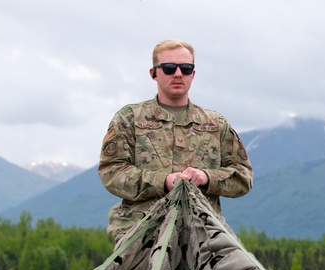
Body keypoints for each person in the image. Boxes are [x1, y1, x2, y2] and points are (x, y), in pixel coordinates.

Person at [98, 39, 253, 242]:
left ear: (193, 74)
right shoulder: (130, 119)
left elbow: (243, 177)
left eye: (186, 69)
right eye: (169, 68)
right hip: (142, 228)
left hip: (205, 228)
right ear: (154, 73)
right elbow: (112, 172)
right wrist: (163, 181)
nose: (178, 74)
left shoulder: (215, 124)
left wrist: (206, 177)